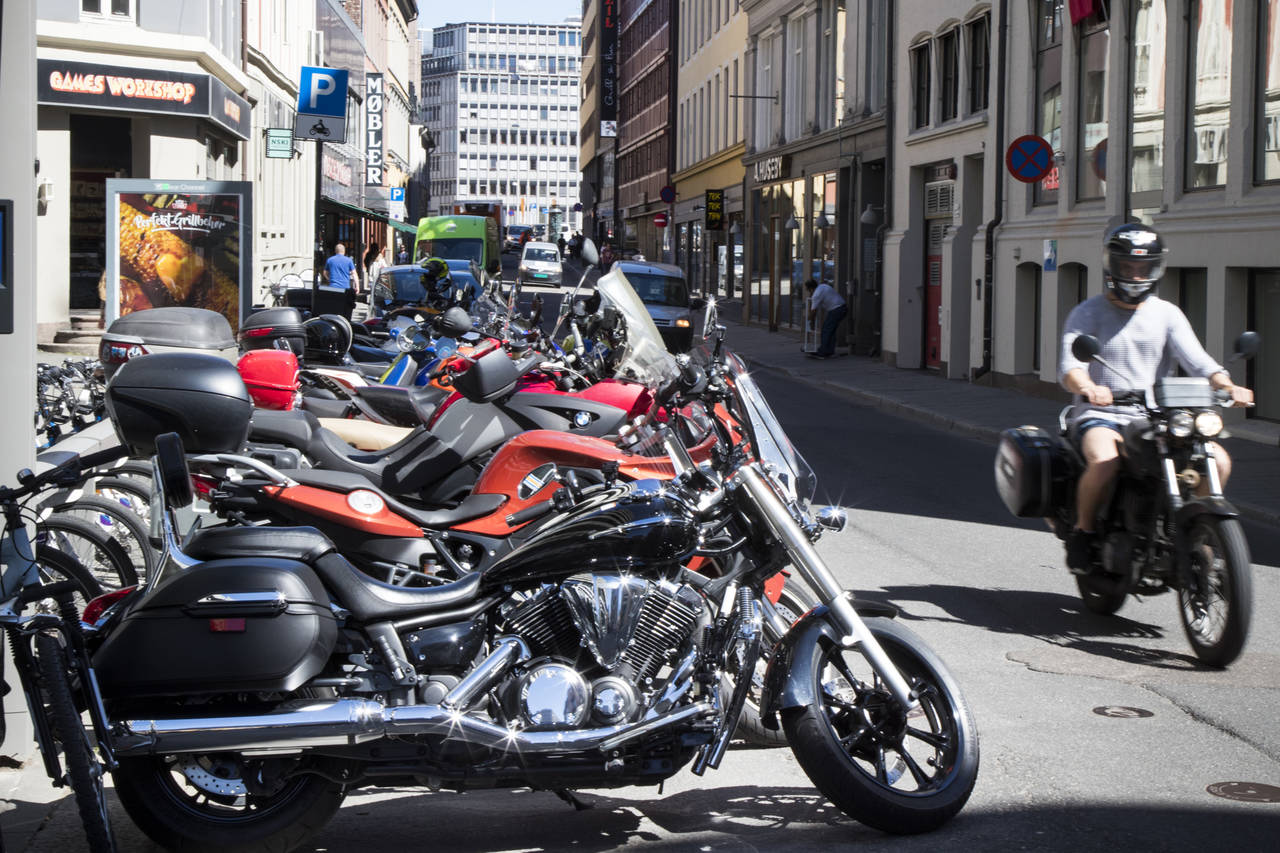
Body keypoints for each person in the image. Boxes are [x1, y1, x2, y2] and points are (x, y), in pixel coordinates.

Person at [1059, 223, 1254, 570]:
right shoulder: (1087, 313)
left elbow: (1199, 361)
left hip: (1157, 416)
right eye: (1127, 267)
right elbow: (1071, 367)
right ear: (1112, 266)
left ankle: (1195, 528)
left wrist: (1226, 385)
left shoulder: (1166, 313)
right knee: (1105, 462)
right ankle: (1084, 532)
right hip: (1103, 413)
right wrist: (1088, 387)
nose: (1135, 275)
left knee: (1218, 461)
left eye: (1143, 267)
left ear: (1156, 268)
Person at [804, 278, 847, 358]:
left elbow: (813, 311)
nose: (809, 292)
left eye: (808, 290)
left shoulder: (816, 294)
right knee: (831, 330)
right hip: (842, 308)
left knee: (826, 330)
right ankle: (829, 350)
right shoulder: (823, 286)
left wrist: (809, 321)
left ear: (811, 288)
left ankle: (823, 352)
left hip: (836, 309)